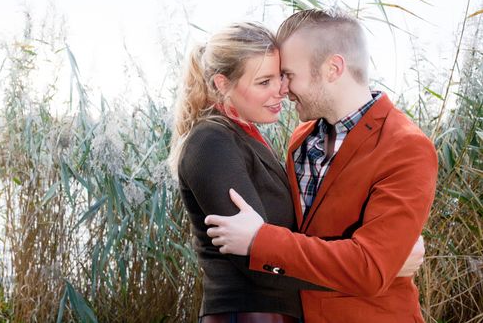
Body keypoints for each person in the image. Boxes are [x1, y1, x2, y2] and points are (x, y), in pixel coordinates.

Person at [170, 21, 424, 323]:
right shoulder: (211, 143)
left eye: (282, 76)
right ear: (223, 84)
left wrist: (379, 260)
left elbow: (276, 242)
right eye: (264, 82)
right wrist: (379, 267)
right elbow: (256, 258)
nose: (282, 91)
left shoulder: (267, 138)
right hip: (249, 315)